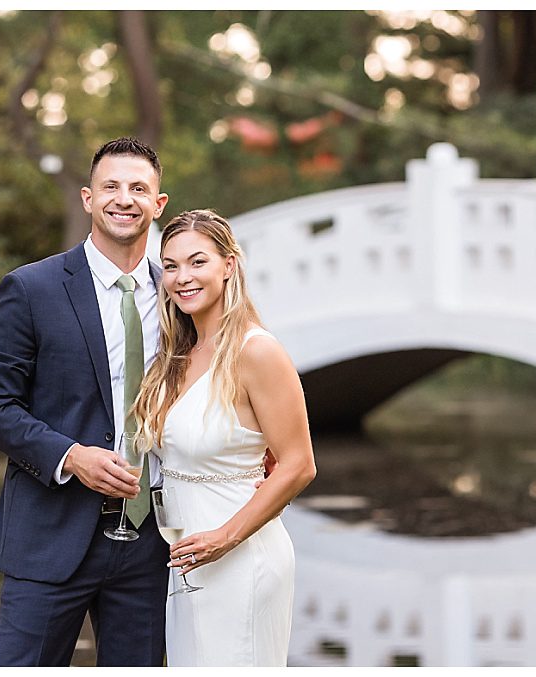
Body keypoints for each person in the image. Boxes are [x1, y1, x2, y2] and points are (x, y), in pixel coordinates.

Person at [0, 137, 172, 665]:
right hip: (49, 534)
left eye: (138, 189)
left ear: (158, 204)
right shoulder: (29, 288)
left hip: (151, 543)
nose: (124, 199)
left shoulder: (177, 297)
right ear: (88, 198)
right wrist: (71, 456)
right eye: (111, 187)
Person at [133, 209, 315, 665]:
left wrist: (225, 538)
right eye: (171, 266)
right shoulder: (176, 355)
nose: (182, 277)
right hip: (186, 559)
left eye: (198, 262)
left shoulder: (257, 351)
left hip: (241, 556)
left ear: (229, 265)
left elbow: (298, 465)